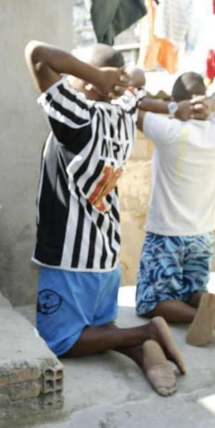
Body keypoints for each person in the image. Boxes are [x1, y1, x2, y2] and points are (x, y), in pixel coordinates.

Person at [26, 40, 187, 397]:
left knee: (60, 341)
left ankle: (146, 333)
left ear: (87, 84)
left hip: (70, 258)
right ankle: (144, 352)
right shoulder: (124, 112)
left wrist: (95, 75)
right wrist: (131, 84)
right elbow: (139, 84)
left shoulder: (79, 118)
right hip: (104, 253)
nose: (67, 77)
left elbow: (37, 54)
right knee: (99, 331)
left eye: (74, 73)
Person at [134, 71, 215, 347]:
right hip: (203, 233)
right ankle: (207, 306)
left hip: (166, 233)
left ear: (174, 100)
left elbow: (130, 104)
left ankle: (202, 316)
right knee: (193, 289)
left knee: (152, 302)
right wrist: (213, 105)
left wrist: (170, 109)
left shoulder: (169, 131)